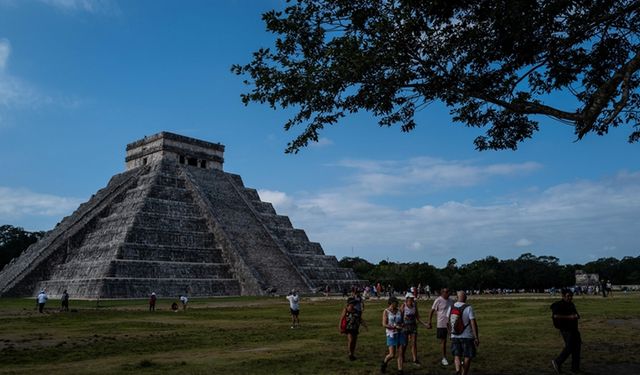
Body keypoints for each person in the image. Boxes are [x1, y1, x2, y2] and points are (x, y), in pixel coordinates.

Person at [550, 289, 581, 374]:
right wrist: (569, 317)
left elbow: (576, 314)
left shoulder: (571, 304)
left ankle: (575, 368)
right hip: (566, 330)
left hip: (574, 329)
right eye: (568, 296)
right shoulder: (559, 305)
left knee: (577, 348)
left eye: (571, 296)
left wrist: (576, 316)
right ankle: (557, 361)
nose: (570, 298)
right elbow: (555, 316)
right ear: (563, 296)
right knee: (570, 347)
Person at [449, 290, 479, 375]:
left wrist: (450, 334)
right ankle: (464, 373)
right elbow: (473, 323)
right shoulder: (468, 307)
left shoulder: (451, 307)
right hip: (467, 336)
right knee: (467, 356)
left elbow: (448, 323)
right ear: (465, 298)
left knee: (457, 355)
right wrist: (476, 337)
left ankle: (458, 369)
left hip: (454, 335)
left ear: (456, 298)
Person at [401, 292, 428, 366]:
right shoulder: (403, 305)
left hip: (413, 326)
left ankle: (415, 359)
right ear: (407, 298)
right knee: (405, 343)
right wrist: (401, 322)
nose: (412, 299)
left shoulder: (415, 305)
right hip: (405, 327)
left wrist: (424, 324)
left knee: (414, 343)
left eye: (413, 298)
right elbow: (400, 316)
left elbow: (417, 317)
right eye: (411, 298)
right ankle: (402, 356)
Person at [428, 288, 453, 366]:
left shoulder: (451, 301)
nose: (448, 293)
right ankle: (444, 358)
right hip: (441, 323)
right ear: (442, 293)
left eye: (449, 291)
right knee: (443, 341)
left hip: (451, 324)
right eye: (447, 292)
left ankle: (457, 356)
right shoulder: (438, 300)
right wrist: (429, 321)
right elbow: (432, 311)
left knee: (455, 340)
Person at [381, 296, 406, 374]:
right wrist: (393, 327)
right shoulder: (386, 311)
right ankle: (384, 363)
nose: (397, 303)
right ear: (391, 303)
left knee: (400, 353)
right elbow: (384, 324)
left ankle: (400, 370)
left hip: (400, 333)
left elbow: (402, 322)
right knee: (392, 355)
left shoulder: (399, 311)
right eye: (395, 302)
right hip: (391, 334)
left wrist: (402, 324)